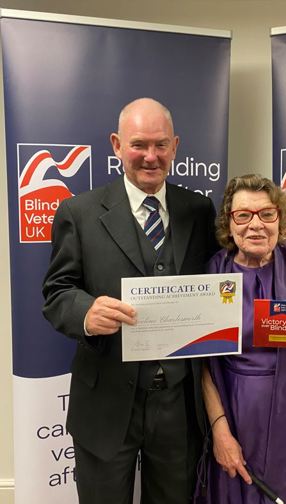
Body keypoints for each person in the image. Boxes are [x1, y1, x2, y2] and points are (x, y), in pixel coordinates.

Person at [42, 98, 218, 504]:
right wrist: (86, 311)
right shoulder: (78, 212)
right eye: (139, 144)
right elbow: (56, 291)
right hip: (105, 400)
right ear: (117, 145)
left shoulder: (198, 209)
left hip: (178, 406)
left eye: (160, 145)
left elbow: (220, 281)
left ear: (175, 146)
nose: (150, 157)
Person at [201, 174, 286, 503]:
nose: (256, 225)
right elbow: (202, 364)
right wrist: (220, 429)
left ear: (279, 218)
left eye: (267, 214)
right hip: (233, 409)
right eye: (243, 215)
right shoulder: (213, 273)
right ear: (229, 222)